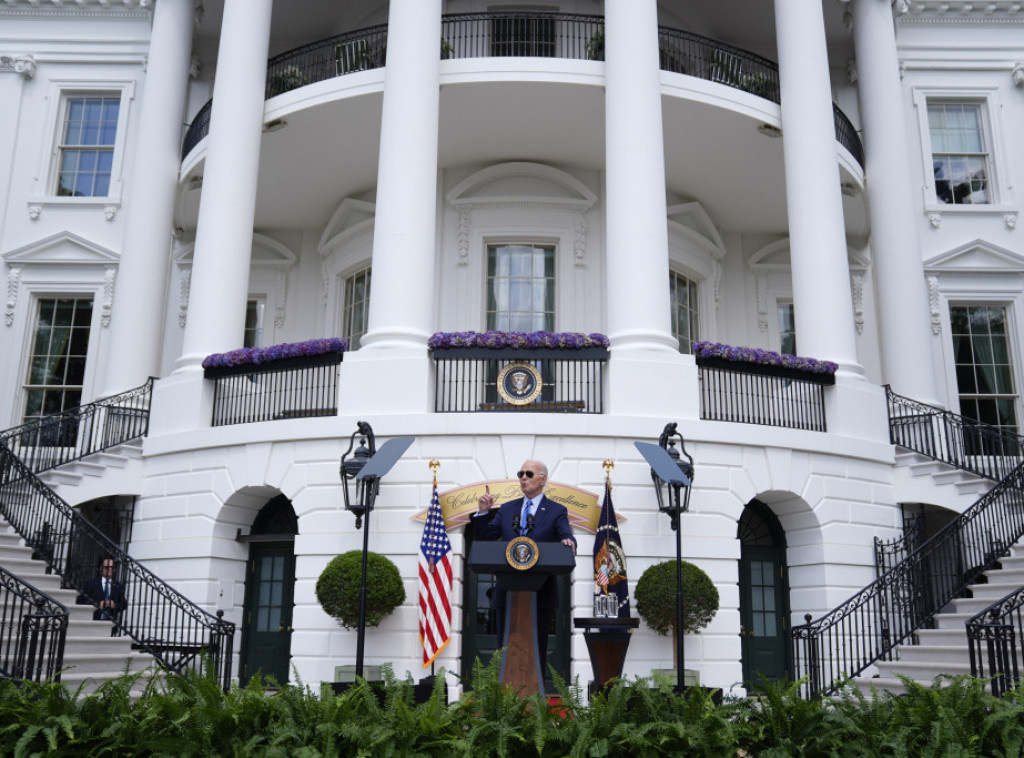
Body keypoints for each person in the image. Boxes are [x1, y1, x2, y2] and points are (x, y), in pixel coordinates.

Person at [474, 460, 577, 674]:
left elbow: (564, 532)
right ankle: (505, 694)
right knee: (504, 651)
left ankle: (535, 693)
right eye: (520, 473)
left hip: (540, 592)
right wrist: (483, 513)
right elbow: (487, 537)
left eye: (529, 474)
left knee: (536, 652)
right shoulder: (507, 509)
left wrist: (569, 540)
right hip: (507, 591)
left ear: (542, 479)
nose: (523, 478)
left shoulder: (556, 510)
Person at [79, 557, 128, 622]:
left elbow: (123, 604)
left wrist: (114, 605)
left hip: (110, 623)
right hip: (93, 620)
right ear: (101, 568)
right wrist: (98, 604)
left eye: (112, 567)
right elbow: (81, 601)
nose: (110, 569)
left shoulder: (118, 585)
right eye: (107, 567)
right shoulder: (91, 584)